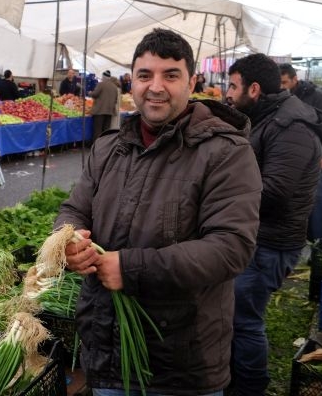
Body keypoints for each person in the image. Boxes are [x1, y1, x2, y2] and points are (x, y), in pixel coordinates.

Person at [57, 28, 262, 395]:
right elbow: (75, 208)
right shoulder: (109, 148)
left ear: (192, 82)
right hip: (108, 349)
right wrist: (69, 240)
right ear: (131, 82)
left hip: (181, 362)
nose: (156, 87)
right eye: (144, 75)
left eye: (171, 75)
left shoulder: (225, 152)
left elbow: (231, 247)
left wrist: (132, 268)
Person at [226, 53, 322, 396]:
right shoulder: (268, 117)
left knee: (245, 321)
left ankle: (250, 388)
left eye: (233, 87)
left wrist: (221, 198)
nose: (228, 93)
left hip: (270, 243)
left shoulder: (290, 128)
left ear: (253, 89)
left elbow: (274, 193)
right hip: (257, 238)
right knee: (236, 317)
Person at [278, 63, 322, 244]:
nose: (281, 86)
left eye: (284, 82)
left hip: (316, 157)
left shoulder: (317, 97)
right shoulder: (279, 97)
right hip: (291, 158)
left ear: (295, 79)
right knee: (293, 200)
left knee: (317, 198)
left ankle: (321, 244)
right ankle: (299, 240)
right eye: (278, 82)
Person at [88, 70, 120, 143]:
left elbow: (95, 94)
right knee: (106, 131)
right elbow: (115, 100)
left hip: (100, 111)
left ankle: (96, 146)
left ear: (103, 77)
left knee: (97, 130)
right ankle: (105, 146)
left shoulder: (101, 84)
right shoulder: (114, 87)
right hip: (109, 111)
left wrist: (90, 93)